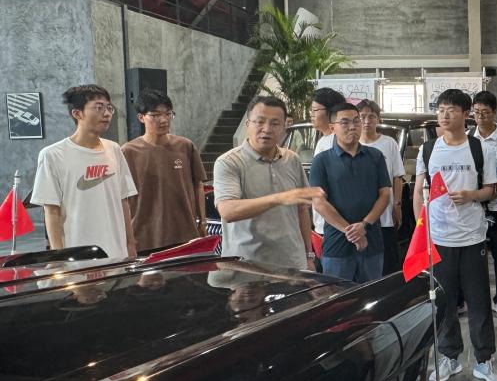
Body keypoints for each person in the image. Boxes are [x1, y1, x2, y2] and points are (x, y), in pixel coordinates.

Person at [413, 89, 497, 381]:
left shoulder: (480, 149)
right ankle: (449, 357)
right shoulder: (428, 149)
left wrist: (470, 195)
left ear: (466, 114)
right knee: (443, 302)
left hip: (472, 237)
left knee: (479, 301)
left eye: (451, 109)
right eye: (441, 109)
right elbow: (419, 191)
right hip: (439, 238)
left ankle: (484, 360)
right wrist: (421, 230)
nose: (444, 114)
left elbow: (490, 190)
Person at [214, 96, 322, 270]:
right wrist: (279, 198)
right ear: (248, 124)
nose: (267, 129)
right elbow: (228, 211)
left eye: (275, 123)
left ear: (284, 127)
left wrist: (308, 255)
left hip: (293, 265)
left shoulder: (292, 159)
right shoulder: (229, 162)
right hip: (247, 268)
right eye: (260, 122)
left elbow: (302, 210)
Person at [32, 84, 138, 259]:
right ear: (77, 113)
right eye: (99, 107)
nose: (107, 113)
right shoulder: (52, 155)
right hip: (77, 256)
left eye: (109, 107)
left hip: (116, 253)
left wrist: (130, 244)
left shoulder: (114, 149)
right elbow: (51, 211)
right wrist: (59, 256)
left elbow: (123, 201)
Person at [310, 102, 391, 283]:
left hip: (371, 241)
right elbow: (319, 203)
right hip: (337, 244)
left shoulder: (375, 156)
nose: (352, 127)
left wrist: (364, 225)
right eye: (345, 122)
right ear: (332, 127)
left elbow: (385, 195)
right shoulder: (322, 160)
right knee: (337, 296)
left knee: (371, 294)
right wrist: (351, 232)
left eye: (356, 121)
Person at [121, 89, 207, 253]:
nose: (163, 120)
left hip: (185, 235)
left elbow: (198, 185)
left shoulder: (185, 146)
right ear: (141, 117)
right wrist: (127, 237)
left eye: (168, 114)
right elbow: (121, 198)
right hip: (144, 238)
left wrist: (202, 222)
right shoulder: (128, 151)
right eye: (155, 115)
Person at [472, 90, 497, 319]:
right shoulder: (468, 138)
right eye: (476, 112)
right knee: (473, 256)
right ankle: (474, 299)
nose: (480, 117)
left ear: (494, 112)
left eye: (485, 112)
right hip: (474, 206)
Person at [357, 98, 405, 274]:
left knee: (387, 261)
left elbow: (397, 176)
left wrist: (397, 205)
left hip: (385, 214)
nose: (366, 121)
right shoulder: (352, 144)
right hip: (359, 215)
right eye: (362, 117)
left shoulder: (389, 143)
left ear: (378, 119)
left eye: (371, 116)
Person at [309, 87, 346, 247]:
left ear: (330, 112)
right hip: (323, 222)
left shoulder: (338, 141)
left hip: (335, 225)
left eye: (315, 110)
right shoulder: (323, 140)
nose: (311, 114)